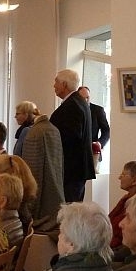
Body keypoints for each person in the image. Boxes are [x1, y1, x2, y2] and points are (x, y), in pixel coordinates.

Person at [49, 69, 95, 202]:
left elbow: (71, 137)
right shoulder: (78, 101)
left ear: (64, 84)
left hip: (71, 169)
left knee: (70, 208)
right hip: (76, 169)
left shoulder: (72, 105)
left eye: (56, 82)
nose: (54, 85)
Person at [21, 108, 64, 232]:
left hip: (42, 212)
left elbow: (32, 173)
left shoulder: (35, 133)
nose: (16, 117)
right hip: (55, 201)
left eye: (18, 114)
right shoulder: (54, 130)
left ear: (28, 115)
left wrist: (30, 207)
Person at [108, 160, 136, 249]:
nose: (119, 178)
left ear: (134, 180)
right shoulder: (126, 198)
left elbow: (116, 228)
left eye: (123, 175)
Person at [78, 85, 110, 150]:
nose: (85, 100)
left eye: (87, 97)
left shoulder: (98, 110)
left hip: (92, 148)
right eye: (82, 98)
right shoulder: (73, 110)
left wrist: (100, 143)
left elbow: (106, 130)